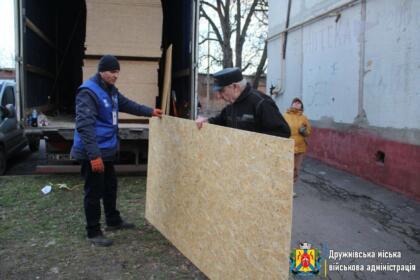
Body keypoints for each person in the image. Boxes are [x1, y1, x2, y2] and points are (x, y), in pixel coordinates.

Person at [70, 55, 162, 246]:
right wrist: (94, 156)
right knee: (94, 192)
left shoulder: (110, 90)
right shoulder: (88, 92)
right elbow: (85, 126)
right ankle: (93, 232)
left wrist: (150, 111)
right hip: (92, 151)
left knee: (110, 186)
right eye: (113, 71)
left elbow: (127, 104)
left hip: (107, 149)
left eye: (118, 71)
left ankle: (113, 220)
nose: (116, 75)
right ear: (102, 71)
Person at [195, 67, 290, 138]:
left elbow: (282, 132)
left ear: (235, 87)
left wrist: (250, 141)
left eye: (221, 91)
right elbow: (220, 121)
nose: (219, 96)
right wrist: (207, 121)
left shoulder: (261, 103)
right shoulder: (231, 105)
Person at [284, 97, 311, 183]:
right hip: (287, 147)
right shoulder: (285, 116)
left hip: (300, 148)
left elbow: (309, 132)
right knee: (286, 169)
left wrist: (304, 131)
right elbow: (280, 128)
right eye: (295, 102)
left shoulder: (304, 118)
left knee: (295, 169)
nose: (296, 103)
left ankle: (292, 189)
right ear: (291, 104)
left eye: (299, 103)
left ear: (301, 107)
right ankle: (285, 187)